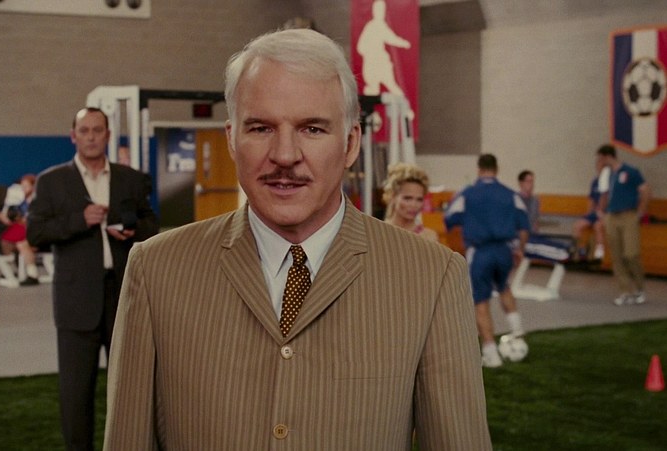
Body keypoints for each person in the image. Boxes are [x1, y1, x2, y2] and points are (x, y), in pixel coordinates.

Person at [103, 29, 491, 450]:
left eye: (312, 129)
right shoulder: (155, 270)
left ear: (351, 143)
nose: (285, 155)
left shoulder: (432, 276)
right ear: (232, 139)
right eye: (261, 128)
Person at [26, 107, 159, 451]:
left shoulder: (130, 179)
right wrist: (78, 220)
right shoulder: (52, 181)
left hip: (124, 297)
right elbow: (35, 233)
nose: (91, 137)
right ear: (73, 136)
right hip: (75, 301)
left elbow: (151, 224)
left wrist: (132, 230)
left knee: (129, 391)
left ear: (108, 135)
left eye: (97, 130)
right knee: (75, 395)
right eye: (84, 131)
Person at [444, 154, 530, 368]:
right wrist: (519, 250)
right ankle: (517, 334)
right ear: (496, 169)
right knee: (504, 287)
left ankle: (491, 353)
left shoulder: (467, 193)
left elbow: (449, 218)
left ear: (479, 169)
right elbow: (524, 225)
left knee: (480, 299)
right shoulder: (511, 194)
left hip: (480, 251)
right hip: (505, 250)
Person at [596, 144, 650, 306]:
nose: (599, 161)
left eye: (601, 158)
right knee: (617, 255)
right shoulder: (606, 174)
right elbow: (604, 194)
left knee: (631, 254)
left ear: (608, 156)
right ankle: (625, 291)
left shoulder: (630, 171)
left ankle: (640, 288)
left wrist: (640, 212)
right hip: (612, 216)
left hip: (628, 215)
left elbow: (645, 190)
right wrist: (601, 212)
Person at [0, 174, 40, 285]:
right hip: (15, 236)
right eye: (22, 186)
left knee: (22, 243)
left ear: (33, 187)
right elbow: (9, 219)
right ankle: (12, 269)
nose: (23, 189)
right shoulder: (17, 203)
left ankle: (32, 274)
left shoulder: (39, 202)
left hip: (34, 234)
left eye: (26, 186)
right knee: (17, 242)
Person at [382, 162, 438, 241]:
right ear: (393, 196)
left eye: (419, 199)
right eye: (407, 198)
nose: (414, 205)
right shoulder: (379, 231)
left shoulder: (429, 237)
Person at [572, 162, 606, 261]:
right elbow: (591, 199)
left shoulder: (611, 182)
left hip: (606, 214)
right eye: (599, 167)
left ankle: (599, 255)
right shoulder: (595, 182)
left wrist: (603, 213)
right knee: (577, 225)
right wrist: (588, 213)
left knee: (598, 226)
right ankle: (578, 251)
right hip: (594, 213)